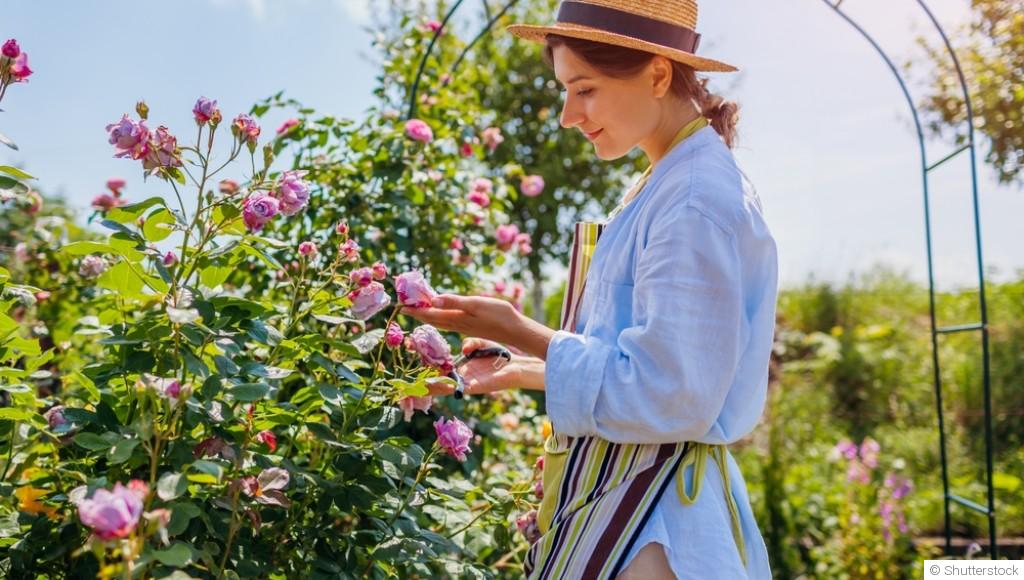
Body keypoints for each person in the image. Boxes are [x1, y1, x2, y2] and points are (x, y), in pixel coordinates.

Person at [404, 1, 778, 577]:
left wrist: (516, 328)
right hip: (643, 502)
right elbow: (645, 362)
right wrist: (526, 366)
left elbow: (672, 393)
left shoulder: (694, 199)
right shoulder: (668, 181)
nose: (566, 116)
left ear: (657, 73)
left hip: (654, 517)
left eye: (584, 89)